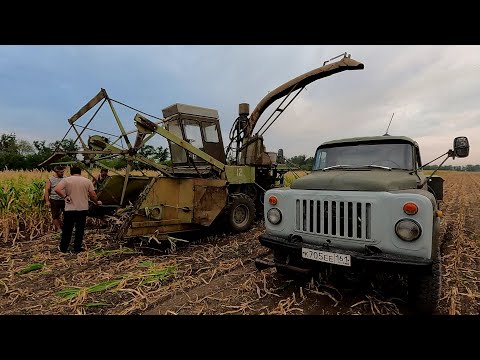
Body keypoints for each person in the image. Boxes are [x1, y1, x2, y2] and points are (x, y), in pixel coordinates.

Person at [54, 166, 102, 253]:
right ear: (80, 172)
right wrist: (96, 202)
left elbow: (57, 189)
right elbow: (93, 195)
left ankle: (63, 248)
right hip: (82, 209)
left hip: (70, 209)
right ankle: (77, 248)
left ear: (71, 172)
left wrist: (65, 196)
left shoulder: (66, 180)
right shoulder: (87, 181)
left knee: (67, 229)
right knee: (80, 229)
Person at [44, 166, 66, 231]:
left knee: (67, 214)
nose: (62, 173)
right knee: (55, 215)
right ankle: (59, 229)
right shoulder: (51, 179)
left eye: (63, 172)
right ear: (56, 172)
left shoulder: (65, 178)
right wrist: (47, 201)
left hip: (64, 199)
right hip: (54, 200)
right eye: (61, 172)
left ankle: (67, 227)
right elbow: (47, 191)